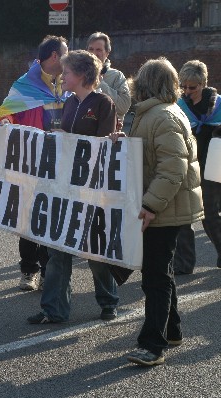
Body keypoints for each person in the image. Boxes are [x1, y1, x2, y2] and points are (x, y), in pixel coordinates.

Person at [110, 58, 203, 366]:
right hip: (166, 206)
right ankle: (172, 331)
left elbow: (172, 168)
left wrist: (149, 205)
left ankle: (153, 345)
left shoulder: (159, 116)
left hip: (163, 209)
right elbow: (154, 155)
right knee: (160, 272)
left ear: (144, 84)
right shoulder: (160, 112)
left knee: (155, 277)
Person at [26, 50, 119, 324]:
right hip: (64, 186)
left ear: (81, 75)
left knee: (94, 250)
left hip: (91, 189)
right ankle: (54, 309)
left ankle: (108, 301)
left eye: (66, 72)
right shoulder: (67, 104)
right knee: (57, 249)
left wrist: (69, 138)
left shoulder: (103, 103)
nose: (61, 76)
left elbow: (103, 148)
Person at [0, 35, 70, 291]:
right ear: (54, 57)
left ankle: (51, 270)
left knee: (53, 215)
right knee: (27, 216)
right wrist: (6, 122)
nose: (68, 57)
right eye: (66, 52)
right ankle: (29, 270)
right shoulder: (24, 83)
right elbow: (5, 111)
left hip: (61, 161)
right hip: (31, 160)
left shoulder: (70, 81)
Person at [173, 60, 221, 274]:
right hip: (188, 166)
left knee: (209, 214)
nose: (187, 91)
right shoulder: (179, 106)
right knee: (184, 215)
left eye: (193, 87)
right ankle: (185, 263)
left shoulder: (219, 105)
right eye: (183, 86)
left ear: (203, 83)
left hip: (214, 166)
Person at [86, 32, 131, 130]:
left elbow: (123, 107)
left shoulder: (117, 76)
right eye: (91, 49)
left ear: (107, 53)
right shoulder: (77, 74)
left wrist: (100, 84)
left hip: (109, 137)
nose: (94, 53)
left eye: (98, 50)